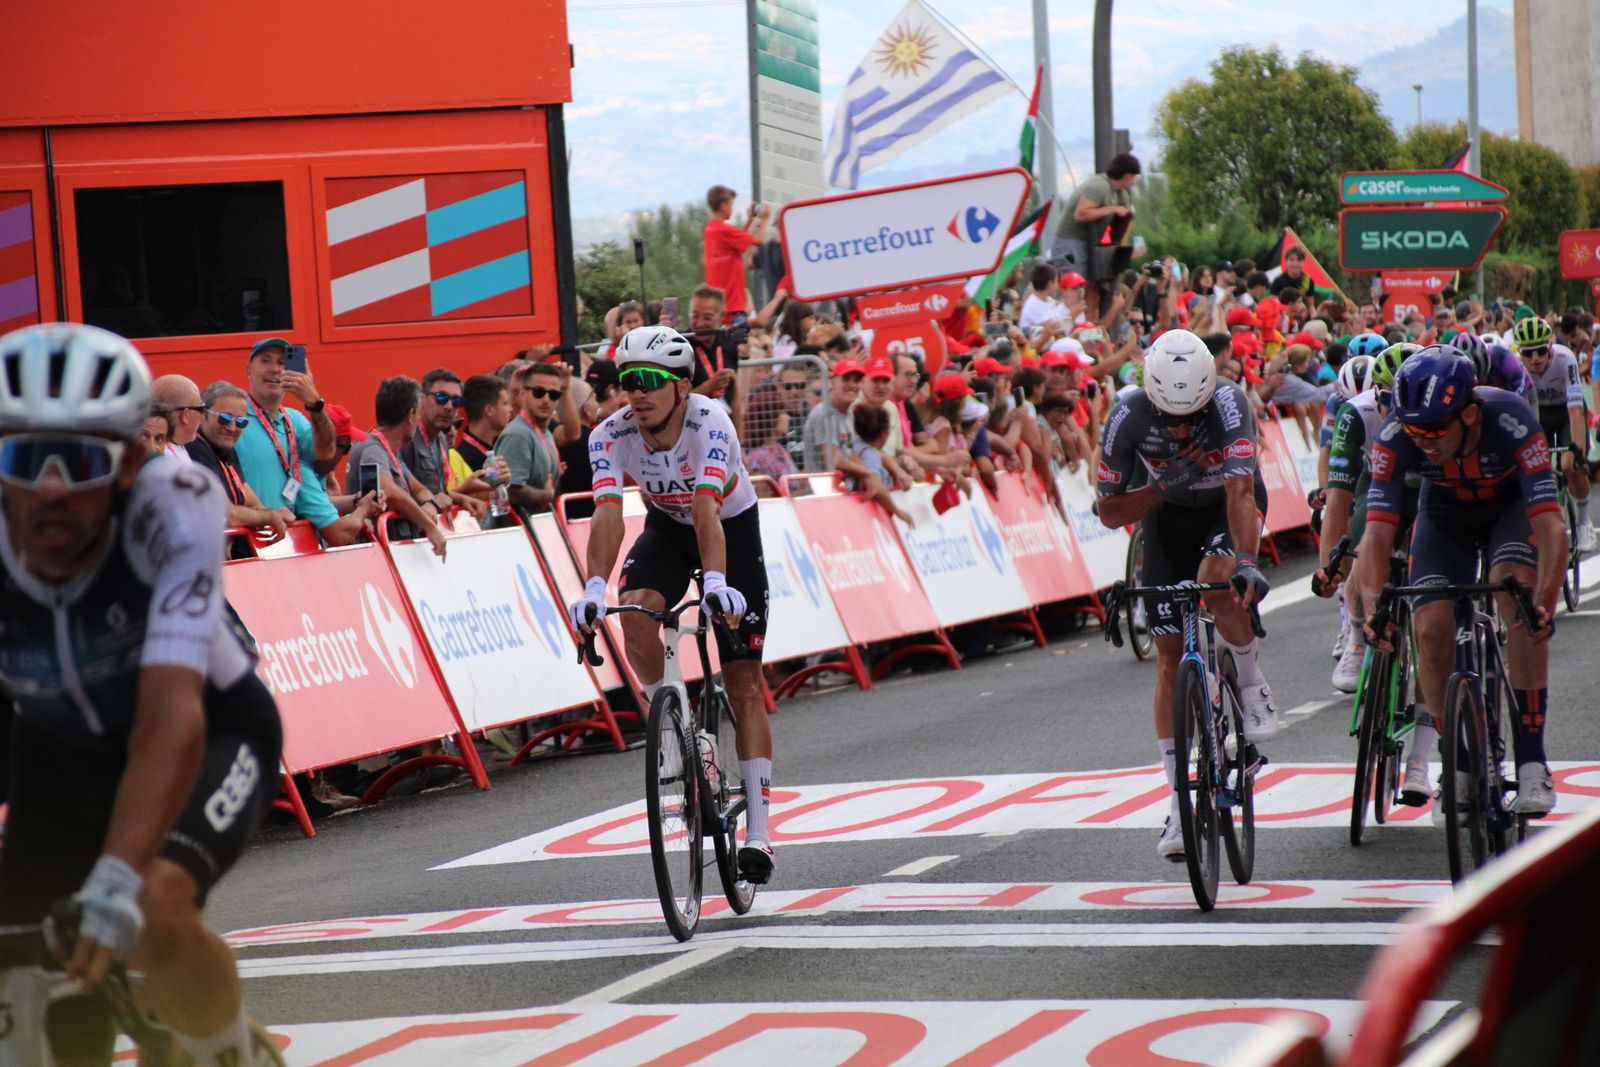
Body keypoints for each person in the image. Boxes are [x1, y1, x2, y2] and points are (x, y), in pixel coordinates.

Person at [0, 323, 285, 1066]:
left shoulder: (178, 498)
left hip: (209, 723)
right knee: (15, 976)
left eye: (83, 461)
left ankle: (230, 1052)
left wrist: (117, 874)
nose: (52, 489)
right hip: (58, 742)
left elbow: (171, 709)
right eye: (25, 459)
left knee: (153, 906)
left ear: (131, 461)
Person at [566, 325, 776, 883]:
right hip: (666, 527)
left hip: (729, 528)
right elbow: (608, 511)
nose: (635, 392)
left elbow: (708, 506)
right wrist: (593, 586)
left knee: (745, 683)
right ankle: (677, 735)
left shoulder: (711, 422)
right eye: (627, 380)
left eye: (649, 381)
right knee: (633, 611)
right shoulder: (610, 434)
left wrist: (714, 582)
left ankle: (759, 832)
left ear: (681, 387)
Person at [1354, 347, 1565, 815]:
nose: (1424, 441)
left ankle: (1533, 761)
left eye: (1434, 429)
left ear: (1469, 414)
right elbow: (1375, 536)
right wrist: (1373, 611)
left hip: (1509, 510)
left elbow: (1551, 526)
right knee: (1428, 627)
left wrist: (1544, 604)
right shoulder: (1395, 437)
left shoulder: (1511, 419)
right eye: (1415, 430)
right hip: (1444, 515)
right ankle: (1460, 759)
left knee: (1515, 596)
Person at [1096, 328, 1278, 862]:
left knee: (1219, 580)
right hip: (1166, 517)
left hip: (1226, 504)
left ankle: (1249, 678)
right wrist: (1162, 484)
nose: (1178, 427)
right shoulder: (1126, 415)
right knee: (1169, 663)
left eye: (1188, 416)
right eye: (1168, 417)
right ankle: (1178, 805)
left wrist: (1246, 563)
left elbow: (1241, 490)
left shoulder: (1227, 400)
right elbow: (1108, 512)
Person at [234, 338, 362, 546]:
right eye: (266, 361)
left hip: (287, 540)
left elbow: (326, 452)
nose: (275, 369)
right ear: (249, 371)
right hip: (249, 542)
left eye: (282, 363)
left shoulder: (293, 420)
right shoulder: (235, 417)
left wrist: (314, 402)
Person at [1512, 316, 1595, 551]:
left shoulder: (1565, 359)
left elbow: (1576, 411)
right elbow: (1522, 412)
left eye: (1540, 351)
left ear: (1549, 347)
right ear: (1520, 353)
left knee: (1571, 466)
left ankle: (1583, 521)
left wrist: (1577, 450)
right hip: (1541, 415)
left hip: (1567, 411)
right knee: (1538, 470)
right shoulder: (1516, 368)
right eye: (1528, 354)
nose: (1535, 359)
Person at [343, 376, 449, 557]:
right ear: (410, 416)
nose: (419, 421)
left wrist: (430, 505)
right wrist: (429, 526)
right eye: (418, 414)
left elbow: (420, 490)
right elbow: (388, 491)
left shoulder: (390, 451)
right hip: (377, 558)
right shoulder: (373, 449)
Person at [1056, 153, 1141, 319]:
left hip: (1091, 247)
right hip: (1071, 243)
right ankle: (1075, 330)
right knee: (1077, 294)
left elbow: (1126, 218)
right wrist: (1112, 209)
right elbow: (1080, 214)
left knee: (1092, 293)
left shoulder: (1119, 193)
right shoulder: (1098, 186)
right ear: (1128, 176)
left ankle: (1090, 329)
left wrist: (1121, 251)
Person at [703, 185, 772, 324]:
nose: (732, 209)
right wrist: (765, 219)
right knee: (738, 344)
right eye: (731, 204)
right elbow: (761, 240)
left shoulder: (711, 229)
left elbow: (737, 244)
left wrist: (749, 221)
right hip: (733, 307)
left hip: (720, 306)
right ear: (724, 205)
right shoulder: (723, 230)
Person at [802, 358, 864, 472]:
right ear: (832, 381)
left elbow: (853, 452)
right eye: (846, 379)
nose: (852, 385)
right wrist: (866, 474)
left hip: (844, 486)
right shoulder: (824, 413)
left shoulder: (849, 413)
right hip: (824, 488)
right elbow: (833, 460)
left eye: (857, 380)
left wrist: (869, 476)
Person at [744, 382, 798, 483]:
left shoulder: (781, 451)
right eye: (783, 413)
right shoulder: (757, 458)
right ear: (771, 418)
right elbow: (763, 494)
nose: (788, 417)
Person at [152, 374, 206, 462]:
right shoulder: (164, 458)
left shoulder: (178, 447)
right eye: (200, 408)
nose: (203, 418)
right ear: (185, 415)